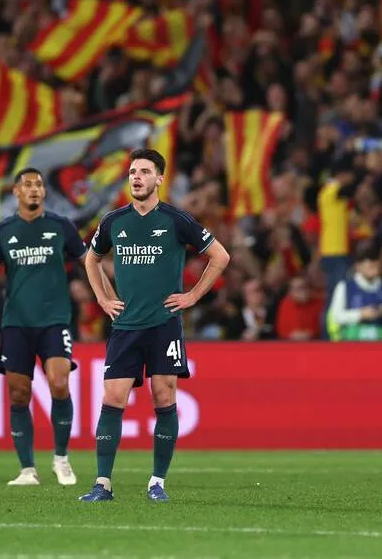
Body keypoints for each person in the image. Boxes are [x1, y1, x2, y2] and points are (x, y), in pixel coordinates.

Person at [79, 148, 230, 502]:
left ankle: (157, 482)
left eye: (145, 171)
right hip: (126, 326)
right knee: (113, 397)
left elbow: (220, 256)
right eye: (133, 171)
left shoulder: (177, 220)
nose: (137, 177)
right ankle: (102, 484)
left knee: (164, 396)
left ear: (160, 179)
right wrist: (103, 298)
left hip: (164, 325)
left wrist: (192, 296)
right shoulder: (114, 221)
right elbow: (92, 259)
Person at [0, 167, 92, 487]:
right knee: (18, 393)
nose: (34, 189)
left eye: (39, 184)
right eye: (28, 184)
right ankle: (27, 470)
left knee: (59, 383)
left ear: (44, 192)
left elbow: (88, 261)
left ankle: (61, 458)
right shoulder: (2, 230)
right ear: (16, 192)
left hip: (55, 320)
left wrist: (105, 297)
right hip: (17, 323)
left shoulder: (61, 226)